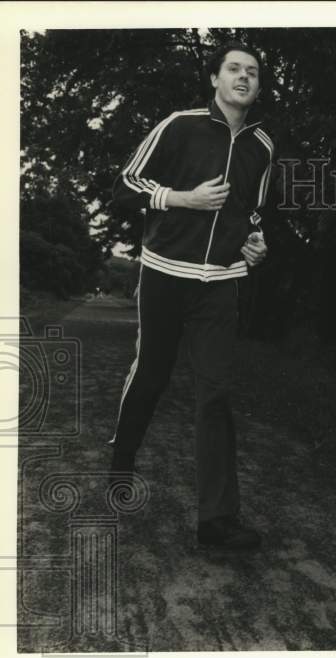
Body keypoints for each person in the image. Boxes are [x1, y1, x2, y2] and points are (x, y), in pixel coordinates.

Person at [108, 42, 275, 551]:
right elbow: (128, 183)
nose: (243, 78)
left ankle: (216, 521)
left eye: (252, 72)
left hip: (220, 283)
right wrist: (183, 198)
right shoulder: (179, 125)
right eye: (233, 69)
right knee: (153, 373)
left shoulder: (262, 146)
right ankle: (122, 458)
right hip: (163, 273)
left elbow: (253, 212)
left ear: (258, 86)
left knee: (217, 393)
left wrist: (254, 244)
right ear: (215, 79)